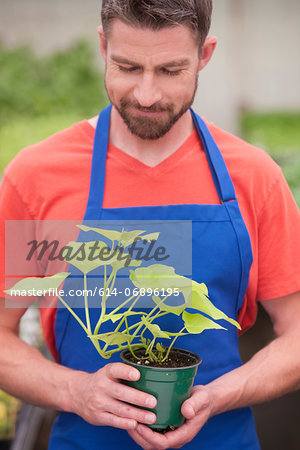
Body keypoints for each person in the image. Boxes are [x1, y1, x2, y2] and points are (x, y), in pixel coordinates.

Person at [0, 0, 300, 449]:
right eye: (127, 66)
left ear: (205, 55)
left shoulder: (253, 177)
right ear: (103, 46)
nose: (146, 94)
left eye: (171, 70)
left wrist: (218, 396)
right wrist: (75, 391)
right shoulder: (39, 178)